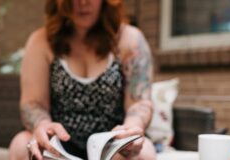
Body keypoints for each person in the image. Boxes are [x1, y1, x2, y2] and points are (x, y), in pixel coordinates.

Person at [9, 0, 156, 159]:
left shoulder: (130, 39)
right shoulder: (41, 41)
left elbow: (139, 102)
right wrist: (42, 125)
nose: (82, 2)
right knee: (20, 145)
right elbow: (33, 103)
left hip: (112, 146)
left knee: (144, 153)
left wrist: (130, 130)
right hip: (58, 147)